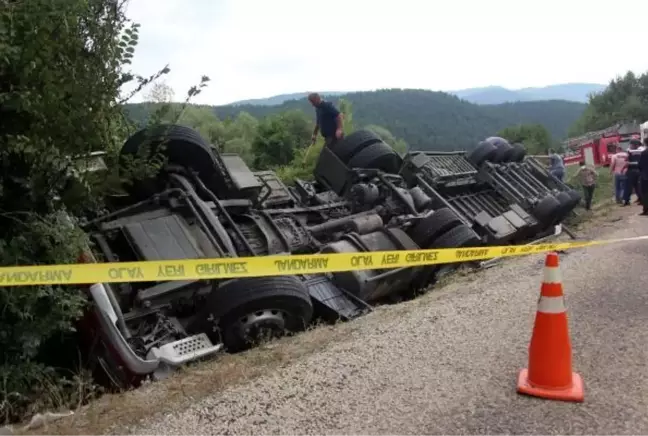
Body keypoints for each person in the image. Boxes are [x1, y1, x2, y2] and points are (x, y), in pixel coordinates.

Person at [622, 139, 643, 206]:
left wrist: (628, 163)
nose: (630, 145)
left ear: (635, 145)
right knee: (638, 186)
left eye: (631, 144)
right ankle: (641, 199)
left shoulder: (629, 151)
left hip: (631, 171)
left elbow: (626, 161)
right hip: (640, 171)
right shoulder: (642, 151)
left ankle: (626, 201)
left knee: (628, 186)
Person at [639, 138, 648, 216]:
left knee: (645, 194)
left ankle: (646, 210)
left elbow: (640, 165)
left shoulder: (644, 153)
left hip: (645, 176)